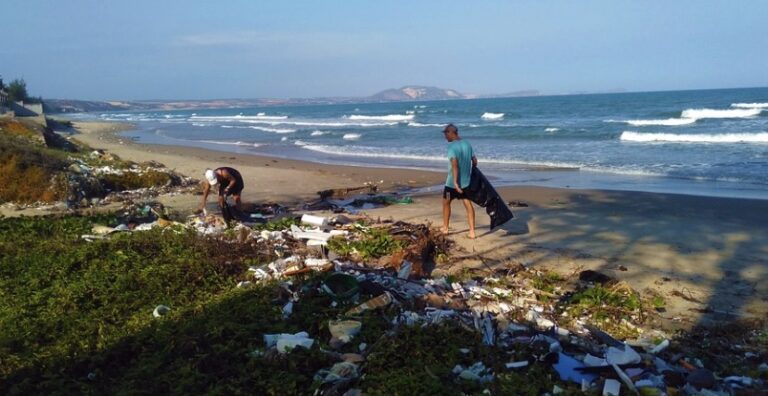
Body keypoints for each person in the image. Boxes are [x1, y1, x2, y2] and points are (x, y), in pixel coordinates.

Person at [441, 124, 477, 239]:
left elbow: (454, 164)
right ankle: (472, 232)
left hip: (452, 184)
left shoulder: (452, 147)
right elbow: (475, 161)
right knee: (467, 203)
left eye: (446, 134)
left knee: (446, 202)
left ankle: (445, 228)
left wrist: (456, 183)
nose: (445, 136)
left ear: (451, 133)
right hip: (465, 182)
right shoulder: (467, 144)